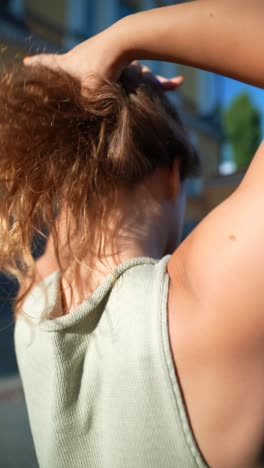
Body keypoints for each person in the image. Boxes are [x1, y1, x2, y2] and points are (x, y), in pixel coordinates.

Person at [1, 0, 264, 467]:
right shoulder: (200, 304)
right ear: (174, 175)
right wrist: (120, 39)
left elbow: (72, 201)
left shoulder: (35, 307)